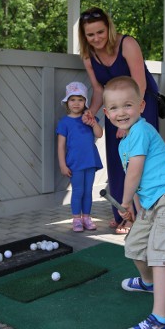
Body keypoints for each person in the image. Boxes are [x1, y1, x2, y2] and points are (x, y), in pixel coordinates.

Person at [102, 76, 165, 329]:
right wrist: (137, 209)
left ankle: (160, 322)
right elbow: (138, 180)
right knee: (134, 246)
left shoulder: (141, 130)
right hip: (151, 204)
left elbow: (134, 173)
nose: (121, 112)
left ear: (141, 106)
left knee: (160, 257)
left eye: (127, 105)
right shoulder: (123, 143)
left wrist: (125, 202)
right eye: (114, 108)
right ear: (106, 113)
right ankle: (148, 283)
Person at [78, 6, 160, 235]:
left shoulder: (128, 44)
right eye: (90, 35)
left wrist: (131, 123)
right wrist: (91, 114)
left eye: (100, 32)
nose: (96, 38)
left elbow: (140, 85)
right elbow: (97, 90)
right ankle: (123, 214)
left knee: (138, 161)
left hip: (141, 106)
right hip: (114, 112)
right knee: (117, 161)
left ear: (109, 28)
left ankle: (143, 217)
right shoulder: (88, 56)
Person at [56, 81, 103, 232]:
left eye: (80, 99)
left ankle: (87, 218)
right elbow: (61, 146)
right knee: (78, 191)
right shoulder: (64, 122)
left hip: (90, 161)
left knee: (88, 191)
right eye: (72, 99)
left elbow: (99, 134)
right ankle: (76, 219)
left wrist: (92, 123)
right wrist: (63, 165)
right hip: (74, 163)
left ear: (85, 102)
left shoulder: (89, 118)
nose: (76, 103)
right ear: (67, 102)